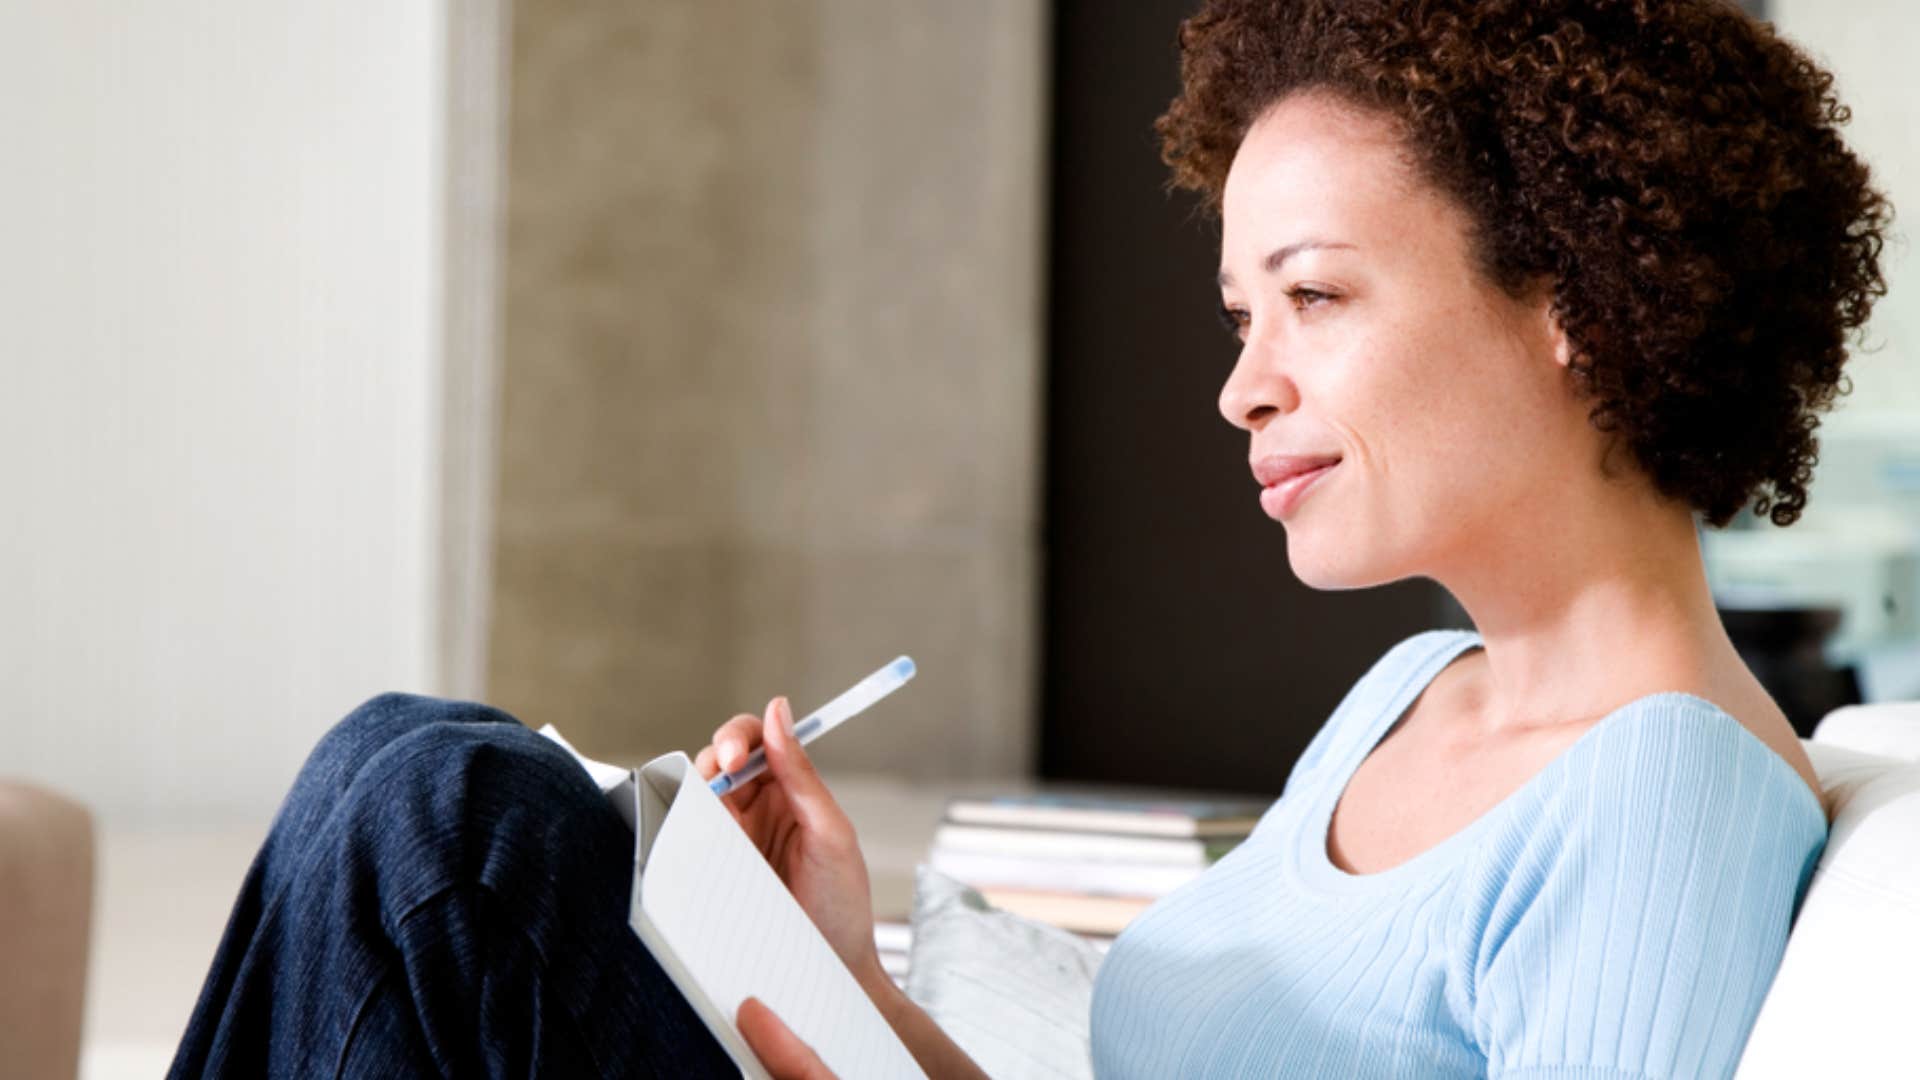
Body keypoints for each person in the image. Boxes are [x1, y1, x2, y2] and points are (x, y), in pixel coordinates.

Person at [170, 0, 1890, 1076]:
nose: (1242, 387)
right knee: (416, 758)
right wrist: (842, 975)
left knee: (448, 825)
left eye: (1310, 298)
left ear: (1571, 301)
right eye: (1240, 316)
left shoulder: (1663, 795)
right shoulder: (1411, 696)